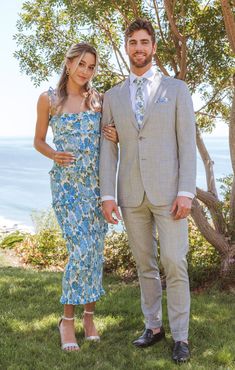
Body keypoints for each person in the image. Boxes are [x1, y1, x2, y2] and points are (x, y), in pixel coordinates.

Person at [99, 19, 196, 363]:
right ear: (127, 48)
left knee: (174, 262)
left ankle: (181, 337)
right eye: (133, 43)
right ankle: (153, 327)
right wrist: (107, 196)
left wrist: (186, 191)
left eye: (144, 42)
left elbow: (187, 145)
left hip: (170, 194)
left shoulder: (177, 90)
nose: (138, 48)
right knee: (145, 265)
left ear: (153, 47)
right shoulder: (112, 96)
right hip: (130, 194)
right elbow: (108, 149)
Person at [34, 43, 117, 351]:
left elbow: (112, 137)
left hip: (95, 190)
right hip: (67, 188)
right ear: (68, 63)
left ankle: (89, 317)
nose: (86, 71)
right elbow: (38, 141)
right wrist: (54, 154)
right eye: (81, 64)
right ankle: (66, 321)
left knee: (95, 254)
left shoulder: (99, 100)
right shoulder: (49, 100)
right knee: (80, 251)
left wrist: (116, 136)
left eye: (91, 66)